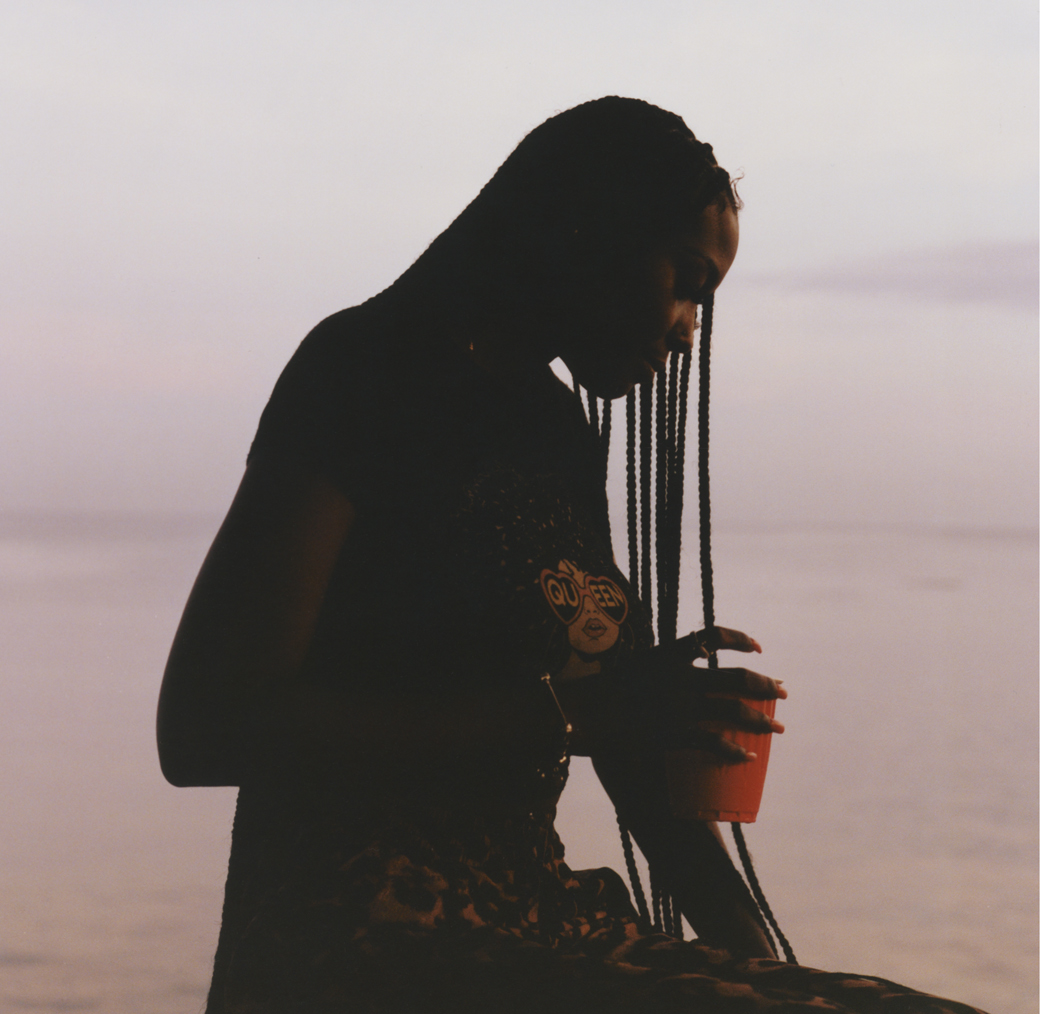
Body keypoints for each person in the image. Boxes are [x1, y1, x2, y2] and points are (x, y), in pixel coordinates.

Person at [158, 97, 985, 1013]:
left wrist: (768, 967)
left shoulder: (556, 431)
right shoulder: (360, 371)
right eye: (684, 283)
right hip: (370, 938)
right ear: (593, 233)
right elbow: (205, 726)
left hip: (533, 919)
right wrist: (569, 717)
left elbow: (627, 757)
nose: (688, 329)